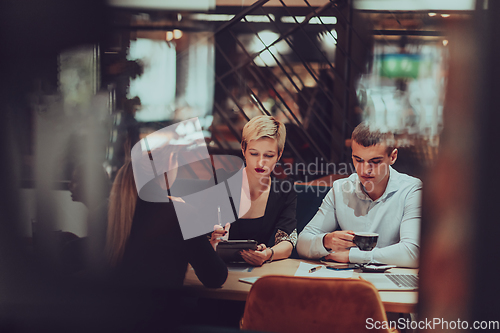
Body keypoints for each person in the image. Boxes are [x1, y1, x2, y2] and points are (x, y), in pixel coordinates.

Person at [296, 123, 422, 268]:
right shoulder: (340, 189)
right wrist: (326, 241)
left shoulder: (411, 190)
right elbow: (302, 243)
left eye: (375, 162)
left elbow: (413, 253)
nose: (364, 170)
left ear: (392, 157)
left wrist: (352, 256)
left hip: (390, 282)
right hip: (348, 280)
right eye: (358, 160)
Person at [107, 156, 228, 289]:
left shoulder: (110, 210)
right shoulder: (180, 214)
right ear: (169, 163)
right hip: (161, 308)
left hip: (110, 309)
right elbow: (216, 276)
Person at [210, 115, 297, 266]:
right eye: (254, 153)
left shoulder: (285, 191)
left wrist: (268, 254)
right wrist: (210, 241)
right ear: (243, 149)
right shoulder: (220, 183)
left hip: (256, 271)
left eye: (269, 155)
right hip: (215, 267)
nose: (260, 162)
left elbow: (287, 241)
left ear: (279, 155)